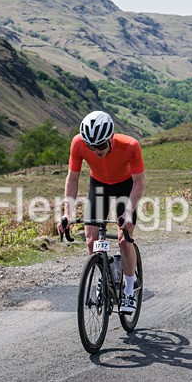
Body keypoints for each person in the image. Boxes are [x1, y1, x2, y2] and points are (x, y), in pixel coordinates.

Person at [58, 111, 145, 314]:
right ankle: (103, 276)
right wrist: (67, 213)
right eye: (91, 146)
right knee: (91, 240)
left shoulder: (130, 145)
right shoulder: (78, 143)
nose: (96, 151)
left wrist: (128, 213)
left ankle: (129, 288)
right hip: (99, 186)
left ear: (110, 138)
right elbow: (72, 179)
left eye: (101, 145)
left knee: (124, 240)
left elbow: (139, 183)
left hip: (126, 186)